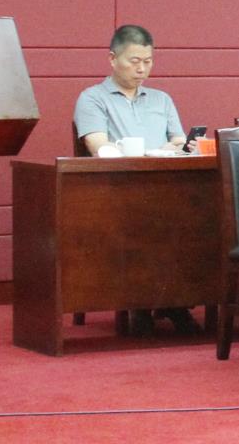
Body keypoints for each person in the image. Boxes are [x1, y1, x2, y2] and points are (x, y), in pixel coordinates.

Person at [73, 24, 201, 336]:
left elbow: (178, 140)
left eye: (148, 61)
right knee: (155, 221)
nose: (142, 69)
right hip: (116, 192)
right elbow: (99, 146)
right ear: (112, 59)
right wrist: (147, 152)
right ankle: (148, 304)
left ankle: (175, 300)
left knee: (197, 218)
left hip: (167, 188)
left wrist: (184, 146)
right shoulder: (92, 98)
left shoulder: (161, 99)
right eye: (134, 61)